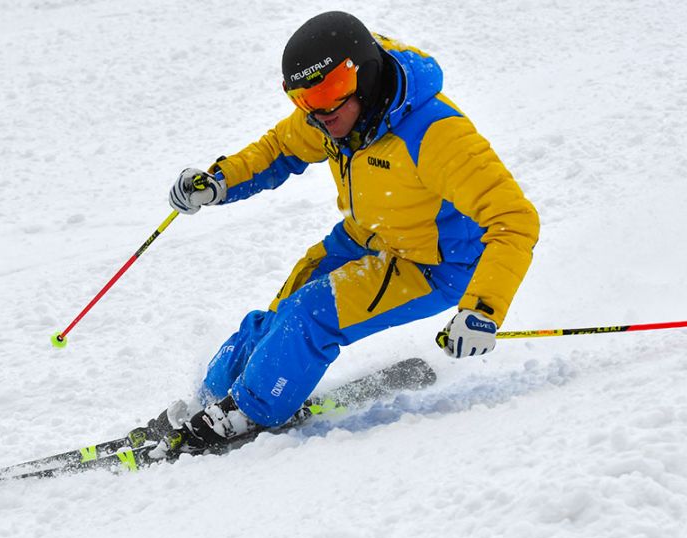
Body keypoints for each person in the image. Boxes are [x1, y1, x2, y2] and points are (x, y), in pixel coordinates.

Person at [149, 11, 539, 454]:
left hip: (434, 264)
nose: (318, 113)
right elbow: (280, 149)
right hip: (366, 236)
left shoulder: (436, 134)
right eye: (303, 99)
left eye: (330, 93)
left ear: (365, 76)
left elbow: (514, 218)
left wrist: (482, 310)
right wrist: (218, 181)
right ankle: (210, 398)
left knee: (309, 313)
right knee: (280, 311)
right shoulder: (332, 115)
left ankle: (249, 412)